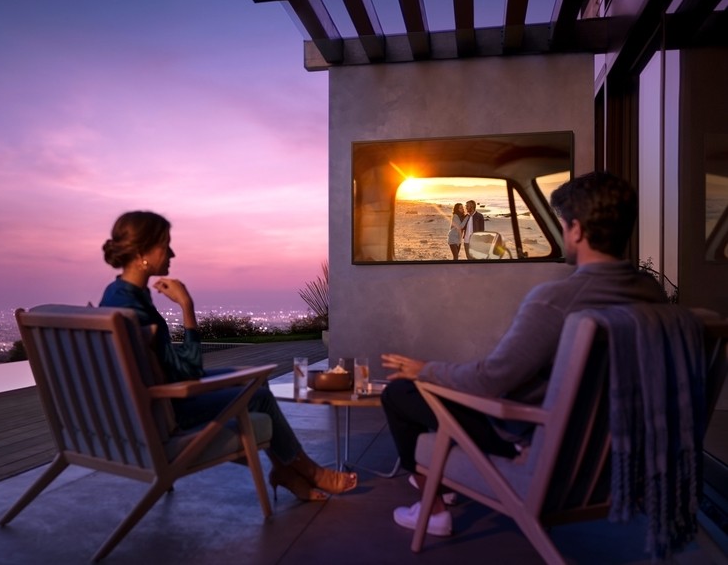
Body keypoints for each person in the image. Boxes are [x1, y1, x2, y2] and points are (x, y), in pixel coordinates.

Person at [380, 171, 666, 536]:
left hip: (538, 440)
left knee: (401, 393)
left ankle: (433, 509)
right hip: (613, 454)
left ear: (576, 230)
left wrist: (426, 370)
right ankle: (445, 483)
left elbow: (488, 380)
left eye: (562, 225)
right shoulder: (652, 296)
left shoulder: (557, 301)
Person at [99, 210, 357, 501]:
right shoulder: (136, 310)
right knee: (257, 393)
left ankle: (285, 470)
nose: (171, 252)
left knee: (256, 381)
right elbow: (190, 371)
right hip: (169, 407)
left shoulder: (115, 296)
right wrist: (187, 306)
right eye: (165, 244)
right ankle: (311, 471)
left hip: (146, 403)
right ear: (142, 252)